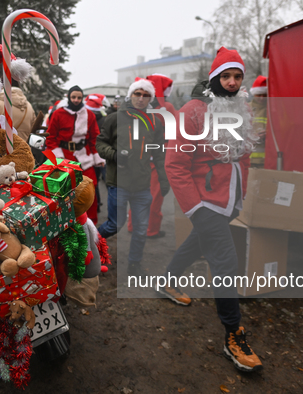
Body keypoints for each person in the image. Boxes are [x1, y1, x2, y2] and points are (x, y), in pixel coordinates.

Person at [161, 47, 262, 372]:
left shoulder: (242, 109)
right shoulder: (193, 110)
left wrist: (240, 196)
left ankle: (167, 280)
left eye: (237, 76)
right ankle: (233, 334)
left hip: (228, 201)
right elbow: (175, 164)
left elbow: (244, 156)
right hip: (204, 201)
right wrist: (195, 209)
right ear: (214, 78)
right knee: (225, 260)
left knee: (198, 244)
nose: (232, 82)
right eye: (226, 76)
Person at [96, 78, 169, 276]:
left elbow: (161, 153)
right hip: (118, 182)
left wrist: (163, 179)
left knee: (141, 229)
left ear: (150, 99)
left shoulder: (155, 121)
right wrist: (114, 155)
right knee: (114, 224)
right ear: (131, 95)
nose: (141, 98)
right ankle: (90, 246)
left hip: (142, 186)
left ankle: (134, 264)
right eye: (137, 93)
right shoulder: (115, 118)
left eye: (146, 95)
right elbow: (100, 144)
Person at [45, 86, 104, 223]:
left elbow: (94, 138)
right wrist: (58, 158)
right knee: (65, 192)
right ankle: (67, 223)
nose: (76, 100)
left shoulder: (89, 114)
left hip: (85, 156)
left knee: (90, 188)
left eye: (79, 97)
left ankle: (92, 223)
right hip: (64, 156)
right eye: (73, 97)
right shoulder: (59, 113)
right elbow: (51, 137)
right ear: (69, 98)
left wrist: (97, 156)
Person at [127, 74, 176, 239]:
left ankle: (133, 226)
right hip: (156, 159)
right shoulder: (166, 108)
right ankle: (151, 229)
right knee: (155, 196)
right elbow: (175, 133)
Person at [249, 75, 268, 168]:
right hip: (248, 160)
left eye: (264, 95)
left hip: (269, 161)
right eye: (258, 95)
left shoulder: (274, 111)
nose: (261, 98)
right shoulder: (245, 109)